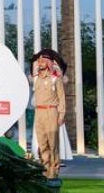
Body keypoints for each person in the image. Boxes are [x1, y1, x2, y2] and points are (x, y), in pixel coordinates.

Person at [32, 51, 65, 179]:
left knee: (53, 144)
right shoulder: (36, 78)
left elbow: (61, 97)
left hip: (51, 111)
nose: (40, 63)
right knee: (42, 143)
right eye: (39, 61)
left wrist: (61, 114)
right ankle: (45, 170)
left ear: (49, 63)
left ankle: (54, 170)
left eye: (43, 61)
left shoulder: (55, 79)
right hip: (39, 112)